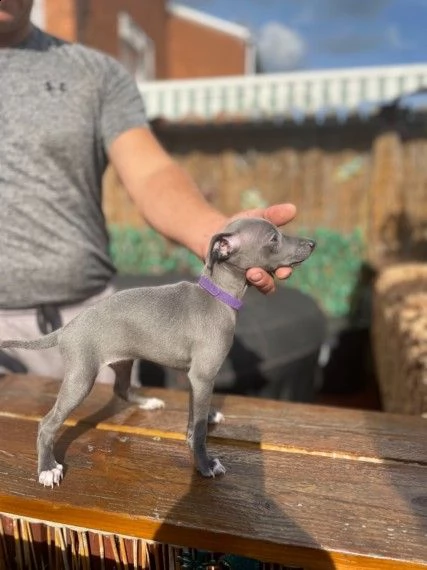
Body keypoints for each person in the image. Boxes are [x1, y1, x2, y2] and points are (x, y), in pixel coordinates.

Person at [0, 0, 297, 380]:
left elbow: (151, 173)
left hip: (96, 321)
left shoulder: (95, 73)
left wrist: (221, 237)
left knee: (118, 438)